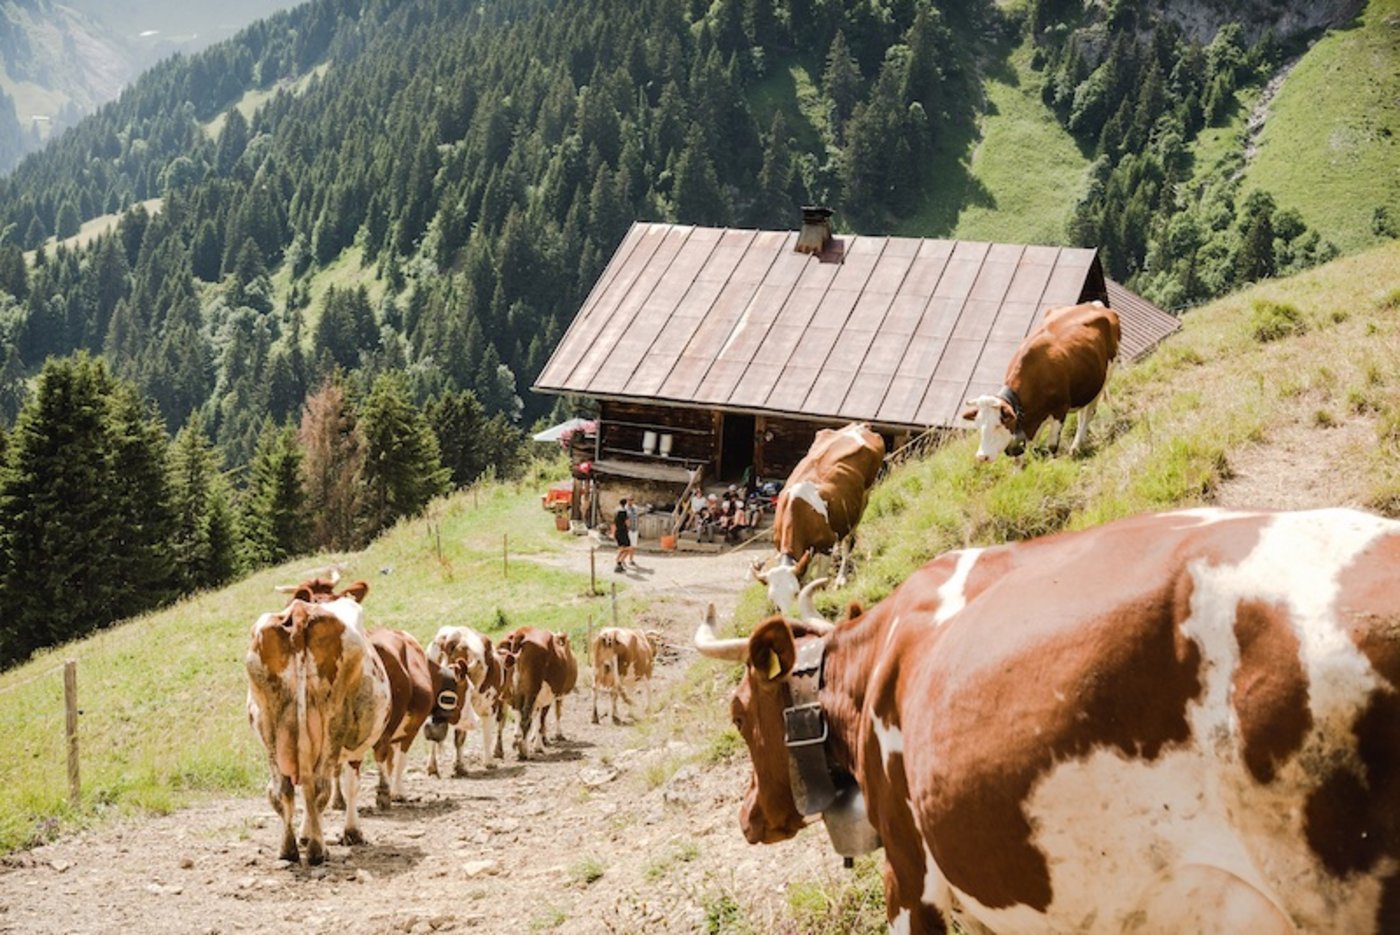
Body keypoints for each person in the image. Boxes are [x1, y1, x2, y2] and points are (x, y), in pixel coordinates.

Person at [613, 498, 634, 573]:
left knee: (622, 548)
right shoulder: (624, 512)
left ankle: (618, 562)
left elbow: (614, 523)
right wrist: (629, 527)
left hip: (617, 531)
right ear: (625, 504)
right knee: (629, 549)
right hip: (623, 532)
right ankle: (619, 563)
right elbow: (627, 522)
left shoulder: (615, 511)